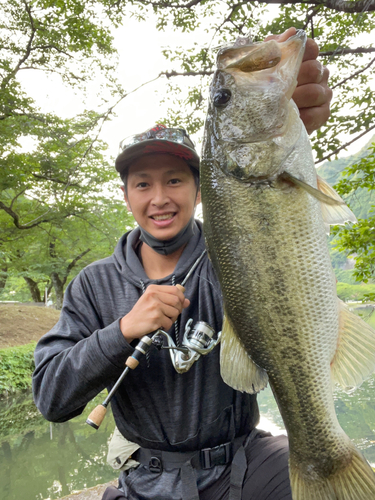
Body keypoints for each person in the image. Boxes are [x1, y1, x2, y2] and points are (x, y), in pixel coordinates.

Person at [32, 28, 332, 500]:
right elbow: (50, 397)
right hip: (147, 477)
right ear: (126, 195)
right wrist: (123, 330)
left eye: (174, 180)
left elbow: (273, 224)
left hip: (245, 460)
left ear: (200, 188)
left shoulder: (231, 252)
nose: (160, 198)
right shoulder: (94, 284)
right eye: (143, 184)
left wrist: (289, 119)